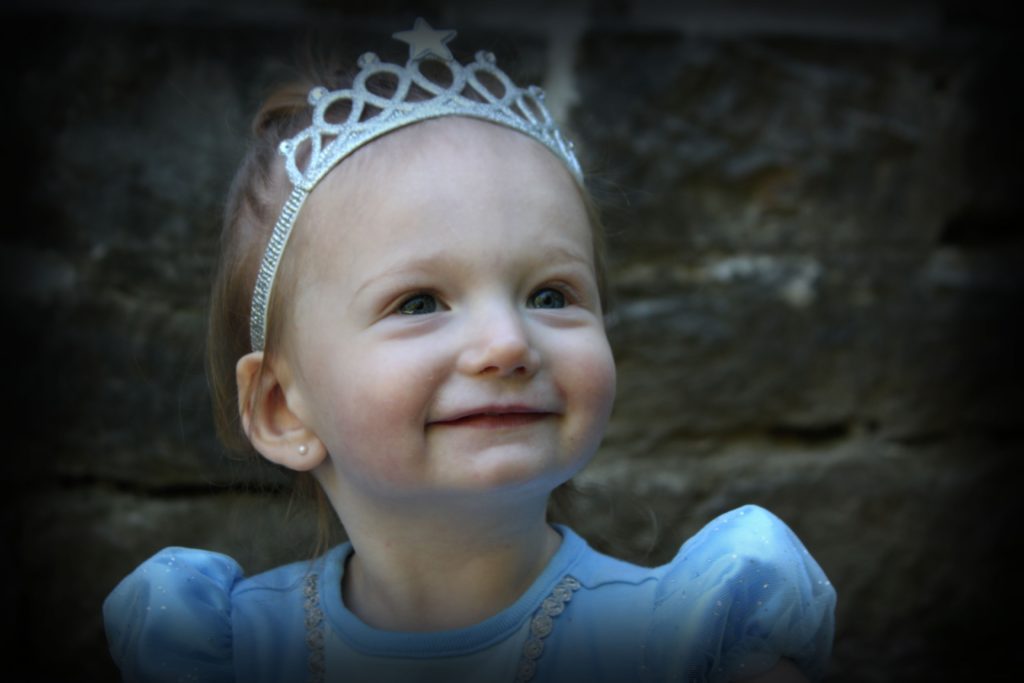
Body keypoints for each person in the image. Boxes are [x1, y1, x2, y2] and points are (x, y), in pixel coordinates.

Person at [103, 18, 835, 683]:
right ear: (282, 408)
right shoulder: (222, 651)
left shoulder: (684, 643)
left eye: (550, 294)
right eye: (419, 302)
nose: (508, 343)